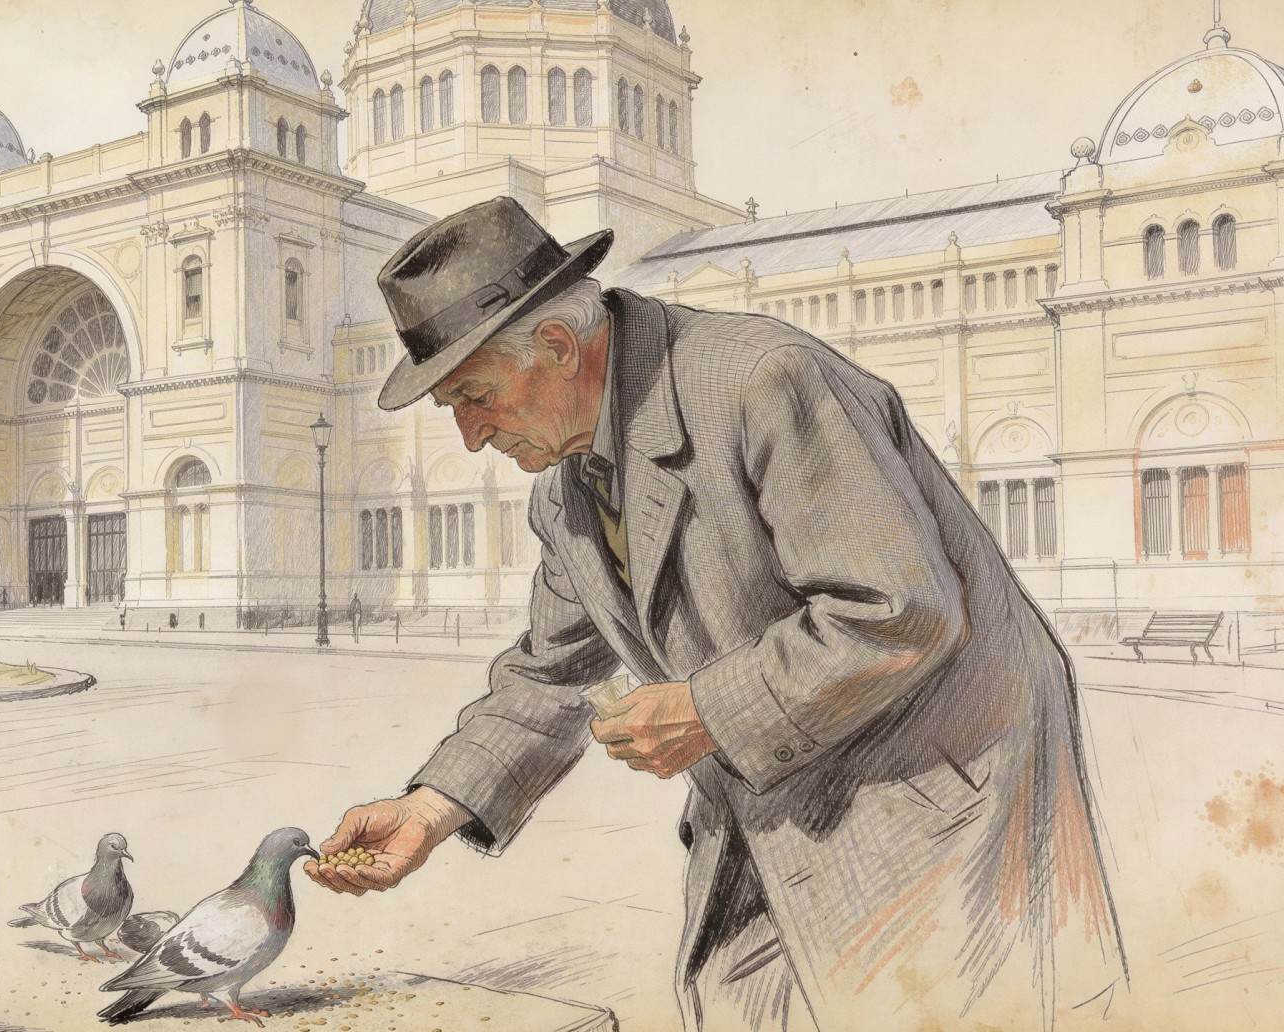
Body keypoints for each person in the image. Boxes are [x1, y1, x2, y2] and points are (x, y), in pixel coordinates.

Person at [306, 198, 1125, 1029]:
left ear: (556, 347)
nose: (473, 437)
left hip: (927, 807)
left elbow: (897, 610)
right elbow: (551, 669)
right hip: (764, 809)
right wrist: (432, 808)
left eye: (475, 397)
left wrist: (704, 710)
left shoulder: (762, 378)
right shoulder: (565, 490)